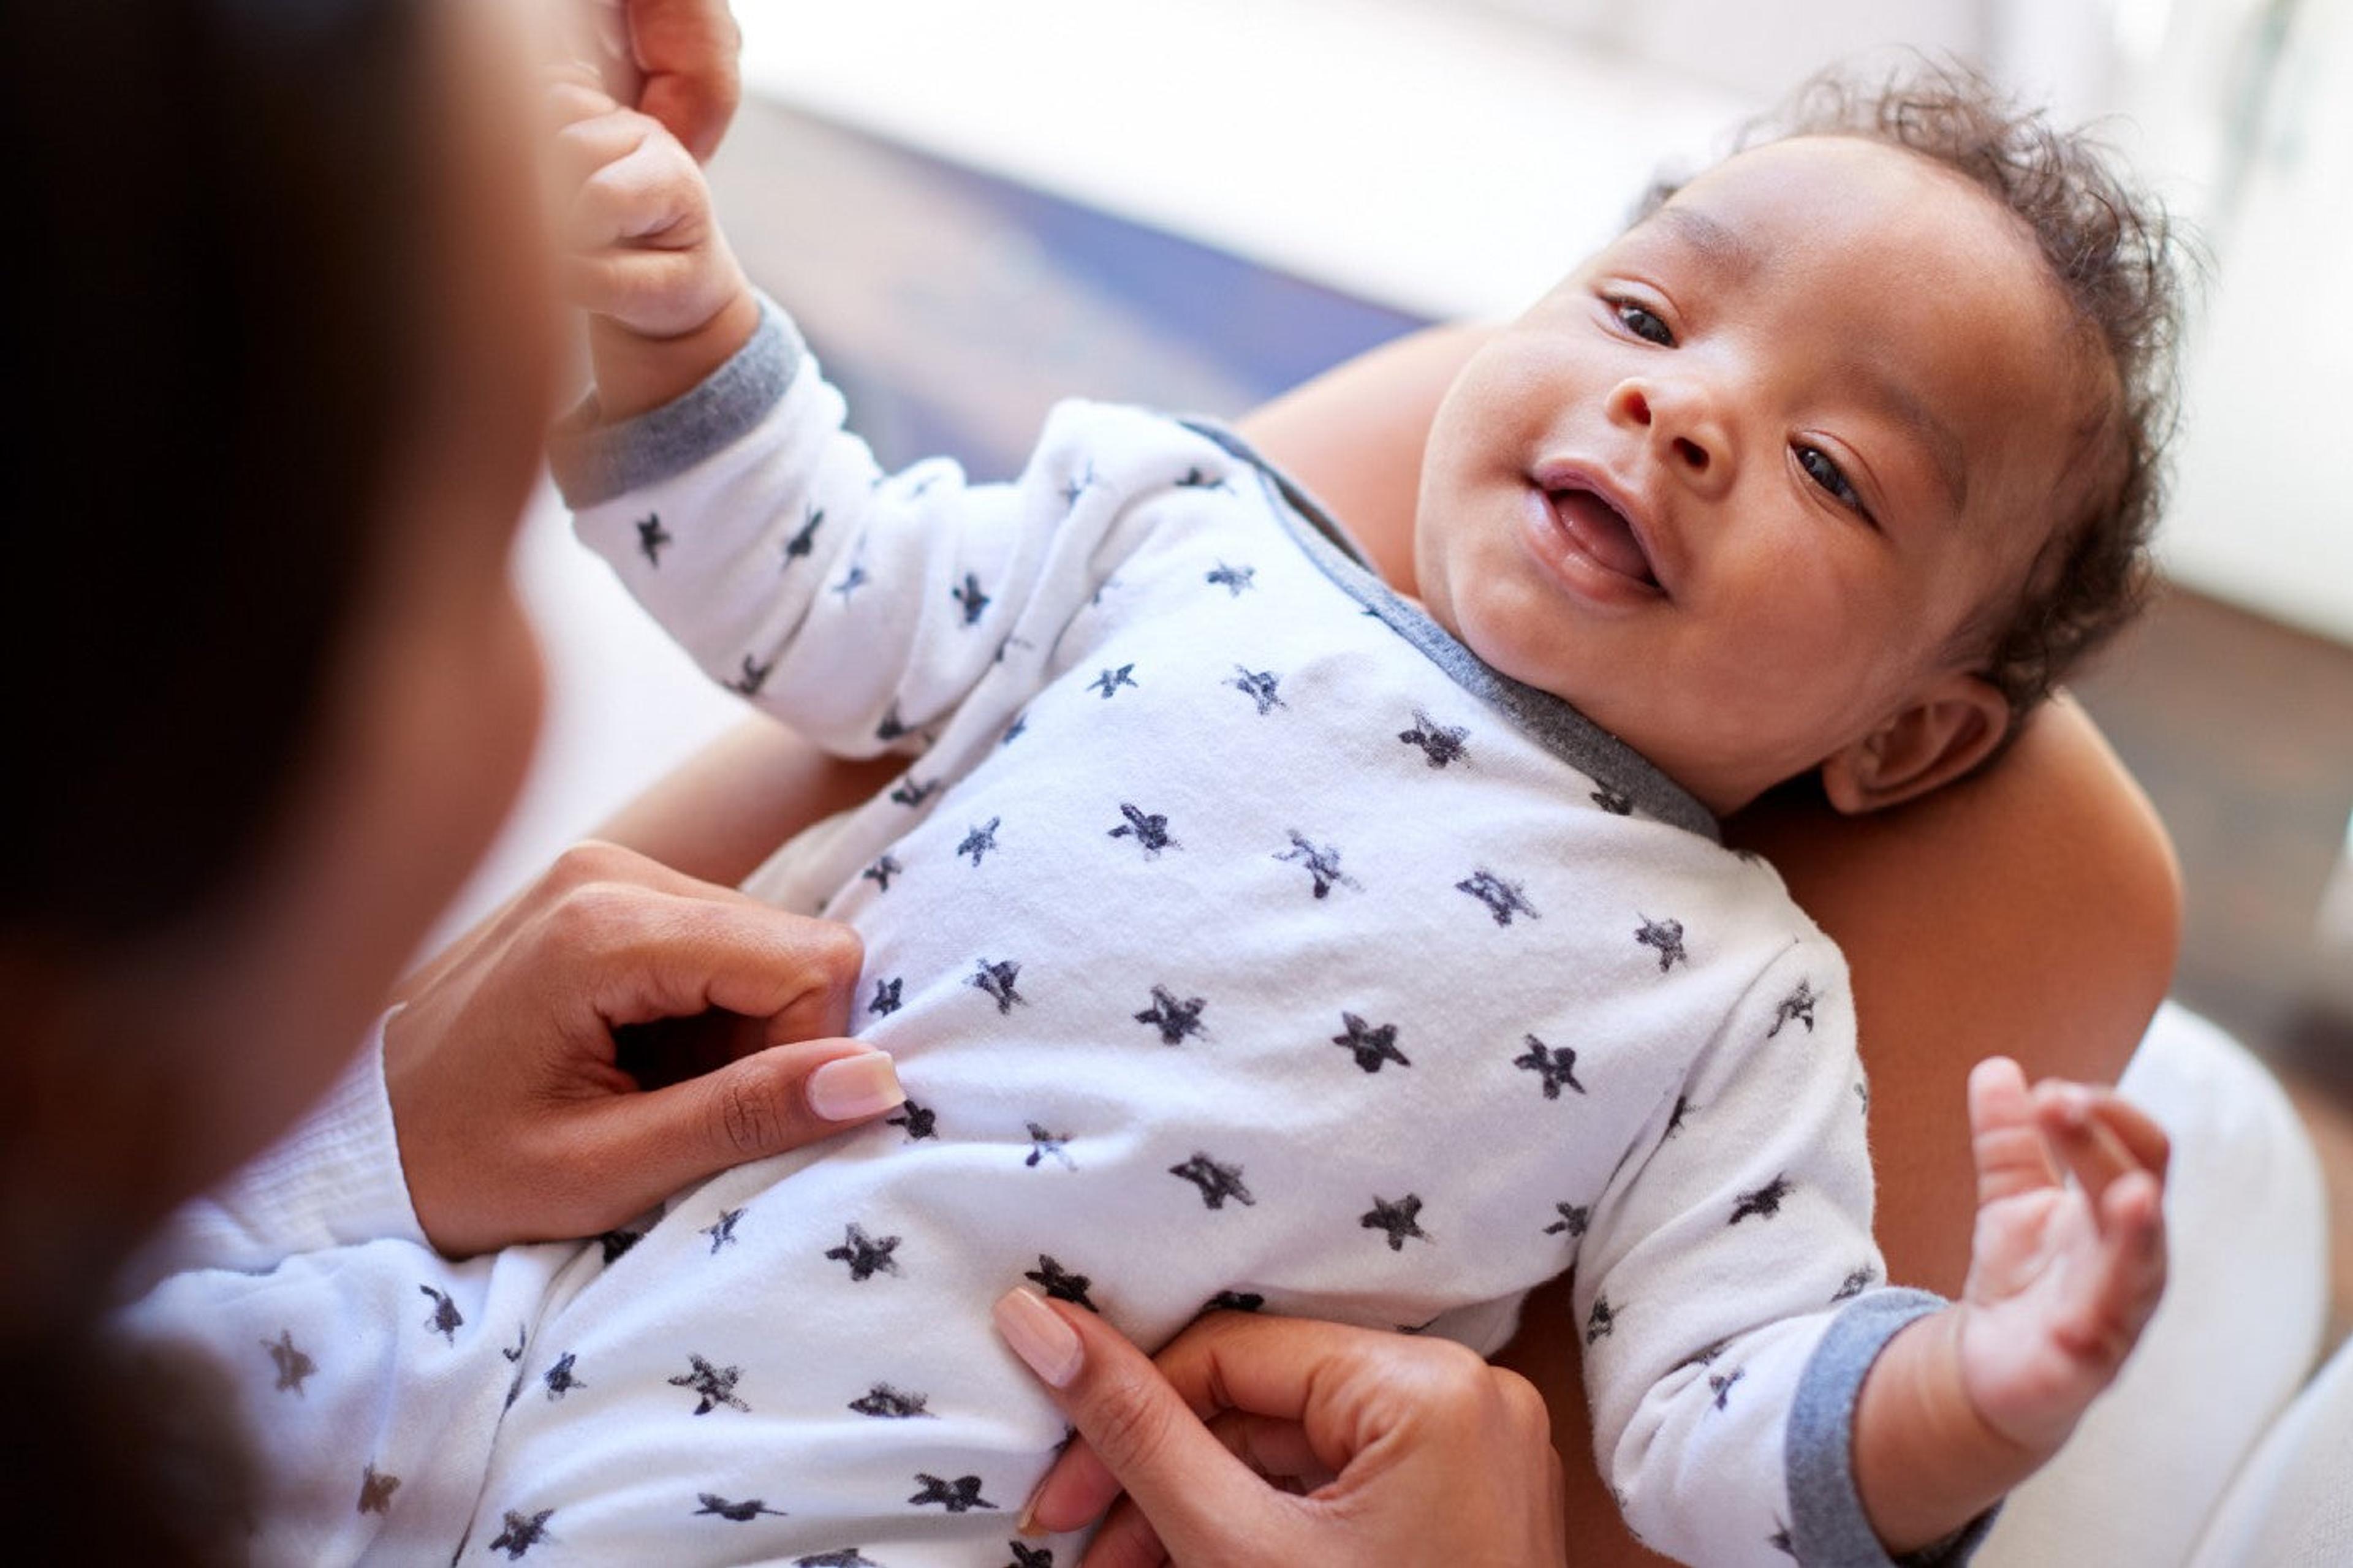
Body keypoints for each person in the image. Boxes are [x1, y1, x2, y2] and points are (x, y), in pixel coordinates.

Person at [118, 47, 2183, 1567]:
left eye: (1838, 471)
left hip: (872, 1496)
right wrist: (681, 331)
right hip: (494, 1312)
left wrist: (1970, 1398)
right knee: (158, 1360)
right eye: (1641, 312)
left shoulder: (1742, 999)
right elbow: (828, 599)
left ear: (1908, 744)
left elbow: (1720, 1425)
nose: (1690, 407)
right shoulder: (1181, 527)